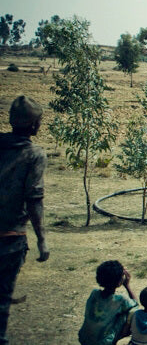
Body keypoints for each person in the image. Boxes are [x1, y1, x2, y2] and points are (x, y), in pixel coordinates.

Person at [0, 96, 50, 345]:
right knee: (2, 298)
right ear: (34, 126)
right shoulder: (34, 154)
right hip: (10, 239)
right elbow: (34, 198)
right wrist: (42, 240)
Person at [78, 260, 138, 345]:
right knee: (130, 313)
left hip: (84, 338)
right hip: (104, 342)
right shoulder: (120, 300)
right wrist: (127, 285)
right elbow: (135, 304)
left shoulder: (94, 293)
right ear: (119, 282)